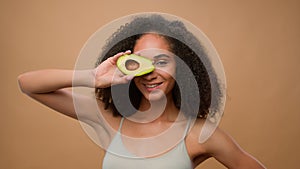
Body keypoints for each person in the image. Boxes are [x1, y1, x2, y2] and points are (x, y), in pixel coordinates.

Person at [18, 14, 266, 169]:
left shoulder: (199, 133)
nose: (150, 73)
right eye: (140, 62)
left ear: (181, 68)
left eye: (161, 61)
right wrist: (92, 77)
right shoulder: (108, 119)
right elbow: (27, 84)